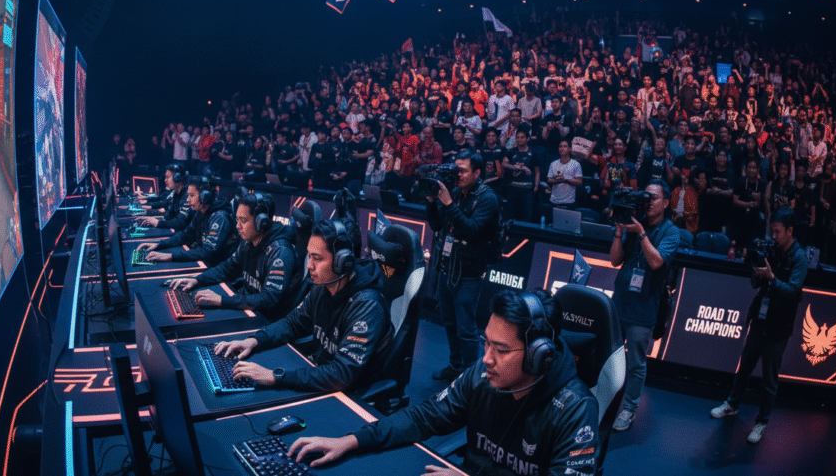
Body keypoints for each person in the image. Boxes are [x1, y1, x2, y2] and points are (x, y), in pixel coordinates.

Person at [287, 289, 601, 476]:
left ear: (538, 356)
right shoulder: (482, 375)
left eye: (501, 350)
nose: (486, 359)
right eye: (486, 343)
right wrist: (351, 440)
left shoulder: (575, 409)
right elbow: (423, 417)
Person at [214, 219, 392, 392]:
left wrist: (275, 376)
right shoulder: (323, 287)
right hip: (321, 374)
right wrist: (254, 341)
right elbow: (292, 323)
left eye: (317, 258)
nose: (309, 266)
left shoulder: (368, 306)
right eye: (309, 256)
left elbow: (341, 374)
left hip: (350, 396)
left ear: (342, 262)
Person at [710, 207, 807, 444]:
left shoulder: (799, 258)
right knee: (744, 367)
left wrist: (772, 277)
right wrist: (756, 271)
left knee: (769, 379)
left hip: (779, 327)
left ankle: (762, 422)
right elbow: (756, 284)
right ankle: (732, 404)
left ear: (790, 231)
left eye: (777, 232)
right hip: (760, 319)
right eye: (772, 231)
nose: (773, 236)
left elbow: (791, 292)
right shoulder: (772, 250)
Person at [168, 193, 305, 322]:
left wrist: (222, 300)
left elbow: (268, 299)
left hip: (263, 320)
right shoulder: (248, 242)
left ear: (262, 223)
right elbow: (227, 268)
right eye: (237, 219)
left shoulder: (281, 252)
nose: (238, 226)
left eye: (243, 220)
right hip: (247, 308)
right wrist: (198, 280)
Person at [609, 179, 679, 431]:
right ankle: (606, 400)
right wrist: (619, 231)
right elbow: (615, 260)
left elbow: (657, 262)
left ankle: (629, 409)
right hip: (620, 303)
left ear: (666, 203)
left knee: (636, 364)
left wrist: (640, 233)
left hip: (644, 308)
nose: (648, 202)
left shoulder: (670, 231)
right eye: (645, 197)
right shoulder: (634, 221)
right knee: (610, 357)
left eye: (654, 198)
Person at [427, 150, 502, 381]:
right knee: (449, 322)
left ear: (477, 173)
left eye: (462, 170)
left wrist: (449, 203)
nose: (457, 175)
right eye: (455, 170)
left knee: (467, 329)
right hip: (446, 267)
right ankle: (455, 365)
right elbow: (437, 225)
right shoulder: (456, 193)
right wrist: (432, 203)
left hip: (469, 272)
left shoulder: (487, 198)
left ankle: (471, 378)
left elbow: (471, 229)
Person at [140, 177, 237, 266]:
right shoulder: (201, 212)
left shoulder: (220, 217)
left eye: (192, 195)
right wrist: (160, 244)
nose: (187, 199)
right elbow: (185, 235)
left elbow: (207, 251)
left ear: (204, 197)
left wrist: (171, 256)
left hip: (217, 269)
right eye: (188, 195)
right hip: (206, 263)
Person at [135, 164, 192, 231]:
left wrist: (158, 223)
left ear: (177, 178)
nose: (165, 180)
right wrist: (147, 208)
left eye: (168, 177)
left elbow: (180, 222)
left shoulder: (187, 196)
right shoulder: (175, 193)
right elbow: (164, 203)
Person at [547, 139, 582, 210]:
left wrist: (566, 180)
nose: (562, 148)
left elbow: (579, 182)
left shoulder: (576, 164)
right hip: (554, 201)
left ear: (569, 149)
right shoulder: (553, 164)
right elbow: (549, 180)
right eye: (560, 146)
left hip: (568, 202)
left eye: (565, 146)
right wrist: (557, 181)